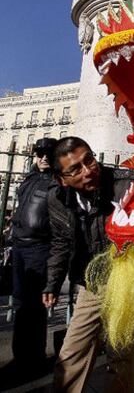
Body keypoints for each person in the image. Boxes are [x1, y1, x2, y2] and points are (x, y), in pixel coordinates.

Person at [42, 136, 134, 392]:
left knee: (121, 353)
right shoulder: (57, 199)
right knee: (72, 351)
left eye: (89, 160)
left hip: (125, 280)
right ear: (61, 178)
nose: (88, 171)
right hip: (92, 283)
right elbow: (61, 241)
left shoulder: (125, 184)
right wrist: (52, 282)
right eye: (75, 169)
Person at [11, 137, 57, 375]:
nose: (44, 158)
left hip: (39, 248)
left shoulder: (56, 182)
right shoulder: (29, 178)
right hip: (19, 246)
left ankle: (35, 357)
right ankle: (21, 356)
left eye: (48, 153)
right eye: (40, 153)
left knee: (34, 305)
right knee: (20, 303)